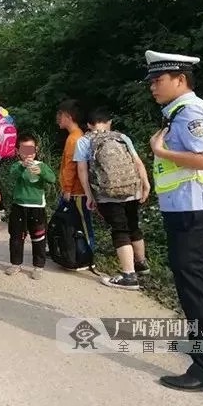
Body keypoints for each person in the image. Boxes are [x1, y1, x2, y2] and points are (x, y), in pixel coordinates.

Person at [146, 50, 203, 393]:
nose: (153, 87)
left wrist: (162, 152)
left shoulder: (190, 112)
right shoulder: (178, 111)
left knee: (194, 284)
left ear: (180, 79)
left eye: (159, 80)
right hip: (191, 208)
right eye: (151, 81)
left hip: (190, 211)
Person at [74, 108, 152, 291]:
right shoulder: (121, 137)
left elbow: (82, 170)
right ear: (108, 122)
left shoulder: (84, 141)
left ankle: (128, 275)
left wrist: (89, 194)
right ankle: (141, 265)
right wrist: (145, 184)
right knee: (133, 226)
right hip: (132, 190)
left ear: (88, 125)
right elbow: (137, 162)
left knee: (119, 230)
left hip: (107, 193)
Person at [5, 133, 56, 279]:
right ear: (18, 152)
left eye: (31, 150)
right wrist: (22, 167)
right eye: (24, 150)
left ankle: (38, 266)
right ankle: (16, 264)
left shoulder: (42, 165)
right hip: (18, 206)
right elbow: (12, 176)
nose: (28, 154)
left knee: (38, 237)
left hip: (37, 207)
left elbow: (52, 179)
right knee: (16, 236)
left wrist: (42, 173)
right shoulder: (17, 166)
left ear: (36, 150)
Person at [56, 99, 95, 253]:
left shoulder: (74, 139)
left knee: (83, 223)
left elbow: (71, 167)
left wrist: (67, 189)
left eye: (61, 115)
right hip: (73, 190)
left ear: (69, 117)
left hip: (76, 192)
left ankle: (88, 253)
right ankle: (70, 250)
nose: (58, 119)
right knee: (67, 220)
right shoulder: (76, 136)